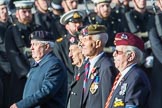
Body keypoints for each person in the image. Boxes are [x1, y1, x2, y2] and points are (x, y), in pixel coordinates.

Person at [10, 30, 68, 108]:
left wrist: (21, 105)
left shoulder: (54, 65)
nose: (31, 48)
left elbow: (46, 92)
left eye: (35, 44)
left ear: (47, 46)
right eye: (31, 44)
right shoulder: (37, 64)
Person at [5, 0, 41, 107]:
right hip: (21, 77)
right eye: (24, 12)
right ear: (17, 14)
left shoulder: (37, 29)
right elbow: (13, 56)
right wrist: (27, 73)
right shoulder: (12, 31)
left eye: (29, 12)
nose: (27, 15)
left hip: (39, 73)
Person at [104, 32, 151, 108]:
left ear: (131, 56)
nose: (113, 54)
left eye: (118, 52)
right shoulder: (125, 75)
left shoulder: (136, 77)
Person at [80, 24, 117, 108]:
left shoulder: (106, 67)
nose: (82, 44)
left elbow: (107, 102)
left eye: (85, 40)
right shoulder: (86, 65)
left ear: (97, 43)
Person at [53, 9, 85, 86]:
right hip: (69, 83)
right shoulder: (60, 44)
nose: (78, 25)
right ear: (67, 26)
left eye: (80, 22)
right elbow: (60, 67)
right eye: (74, 22)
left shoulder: (86, 41)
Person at [67, 37, 85, 108]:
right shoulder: (77, 69)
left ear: (81, 50)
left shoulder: (88, 69)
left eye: (72, 51)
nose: (70, 55)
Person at [0, 0, 12, 107]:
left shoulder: (12, 26)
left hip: (15, 72)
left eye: (5, 8)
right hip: (3, 72)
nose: (4, 12)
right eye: (1, 9)